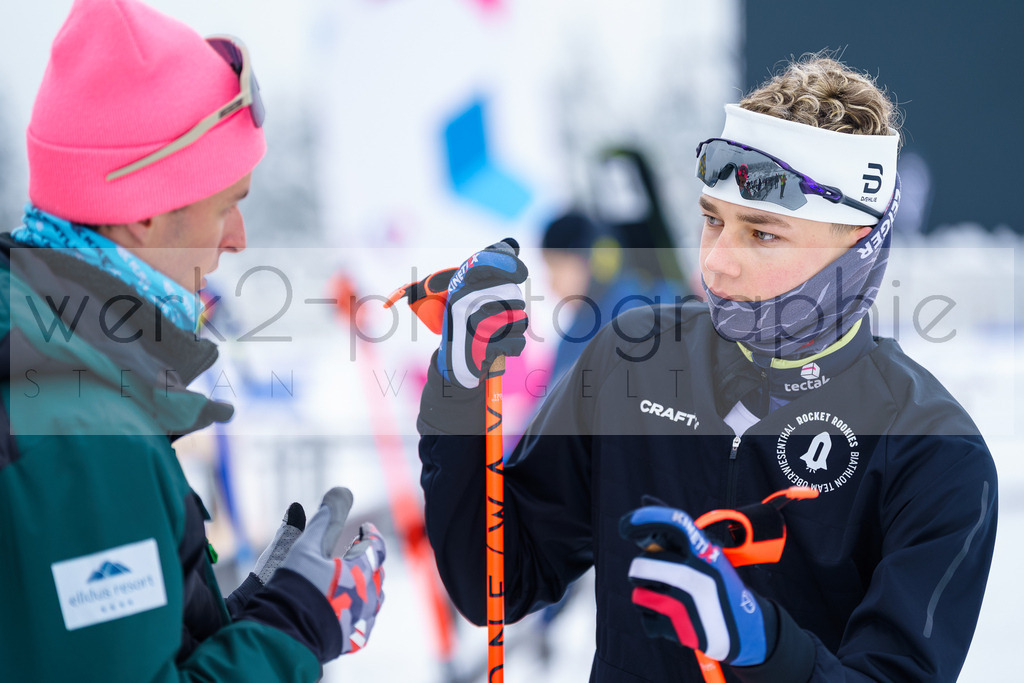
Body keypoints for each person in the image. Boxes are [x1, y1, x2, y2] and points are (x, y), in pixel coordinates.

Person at [416, 55, 996, 681]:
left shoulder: (934, 449)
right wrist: (459, 394)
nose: (716, 265)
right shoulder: (631, 356)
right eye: (712, 220)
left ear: (858, 246)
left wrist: (765, 648)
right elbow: (496, 583)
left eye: (762, 234)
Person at [0, 1, 385, 680]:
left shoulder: (49, 355)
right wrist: (296, 627)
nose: (237, 238)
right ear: (144, 210)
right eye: (224, 203)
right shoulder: (79, 427)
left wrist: (240, 614)